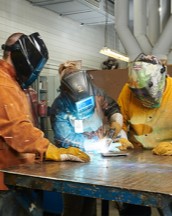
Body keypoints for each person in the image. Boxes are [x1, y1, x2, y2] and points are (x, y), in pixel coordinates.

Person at [0, 32, 90, 216]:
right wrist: (49, 149)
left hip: (16, 173)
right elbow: (16, 128)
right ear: (19, 56)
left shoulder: (13, 83)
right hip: (4, 178)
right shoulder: (4, 85)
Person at [50, 60, 133, 216]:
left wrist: (116, 124)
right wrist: (97, 144)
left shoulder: (97, 93)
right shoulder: (59, 106)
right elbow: (64, 139)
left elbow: (113, 108)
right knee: (73, 208)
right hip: (72, 163)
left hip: (95, 161)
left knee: (90, 203)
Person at [116, 53, 172, 216]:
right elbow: (120, 119)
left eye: (146, 91)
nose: (142, 97)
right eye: (138, 93)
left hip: (168, 159)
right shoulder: (128, 90)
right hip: (137, 161)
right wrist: (122, 138)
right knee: (134, 207)